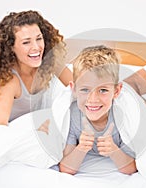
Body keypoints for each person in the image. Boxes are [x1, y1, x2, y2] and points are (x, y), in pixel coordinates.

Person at [0, 10, 72, 125]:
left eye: (39, 39)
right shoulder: (9, 82)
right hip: (11, 131)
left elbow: (81, 87)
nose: (36, 47)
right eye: (26, 42)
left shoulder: (50, 62)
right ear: (11, 47)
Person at [58, 45, 137, 175]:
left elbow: (131, 168)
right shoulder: (73, 115)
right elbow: (66, 168)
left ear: (116, 91)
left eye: (103, 90)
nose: (93, 99)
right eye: (85, 90)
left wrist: (113, 150)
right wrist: (81, 148)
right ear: (74, 89)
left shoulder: (122, 115)